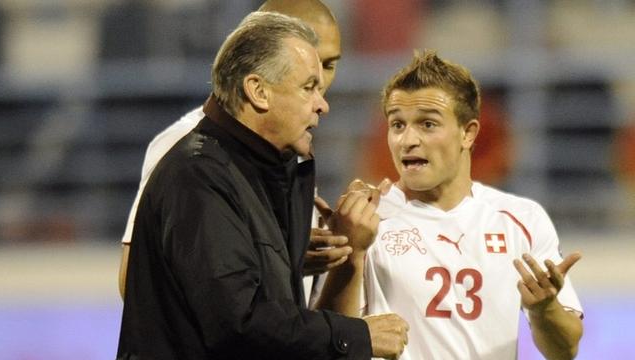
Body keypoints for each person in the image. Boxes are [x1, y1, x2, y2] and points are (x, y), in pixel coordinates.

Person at [117, 11, 409, 359]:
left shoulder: (268, 170)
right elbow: (237, 324)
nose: (323, 104)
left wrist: (291, 256)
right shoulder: (197, 175)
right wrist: (358, 335)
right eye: (309, 87)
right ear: (258, 91)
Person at [316, 50, 584, 360]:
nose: (407, 140)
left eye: (427, 125)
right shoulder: (363, 220)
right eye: (397, 125)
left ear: (468, 133)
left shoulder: (521, 220)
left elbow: (565, 350)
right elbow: (328, 347)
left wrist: (544, 308)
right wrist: (353, 254)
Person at [118, 0, 351, 302]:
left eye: (329, 65)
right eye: (307, 68)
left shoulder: (292, 151)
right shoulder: (185, 146)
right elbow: (135, 281)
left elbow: (294, 318)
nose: (320, 80)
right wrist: (273, 260)